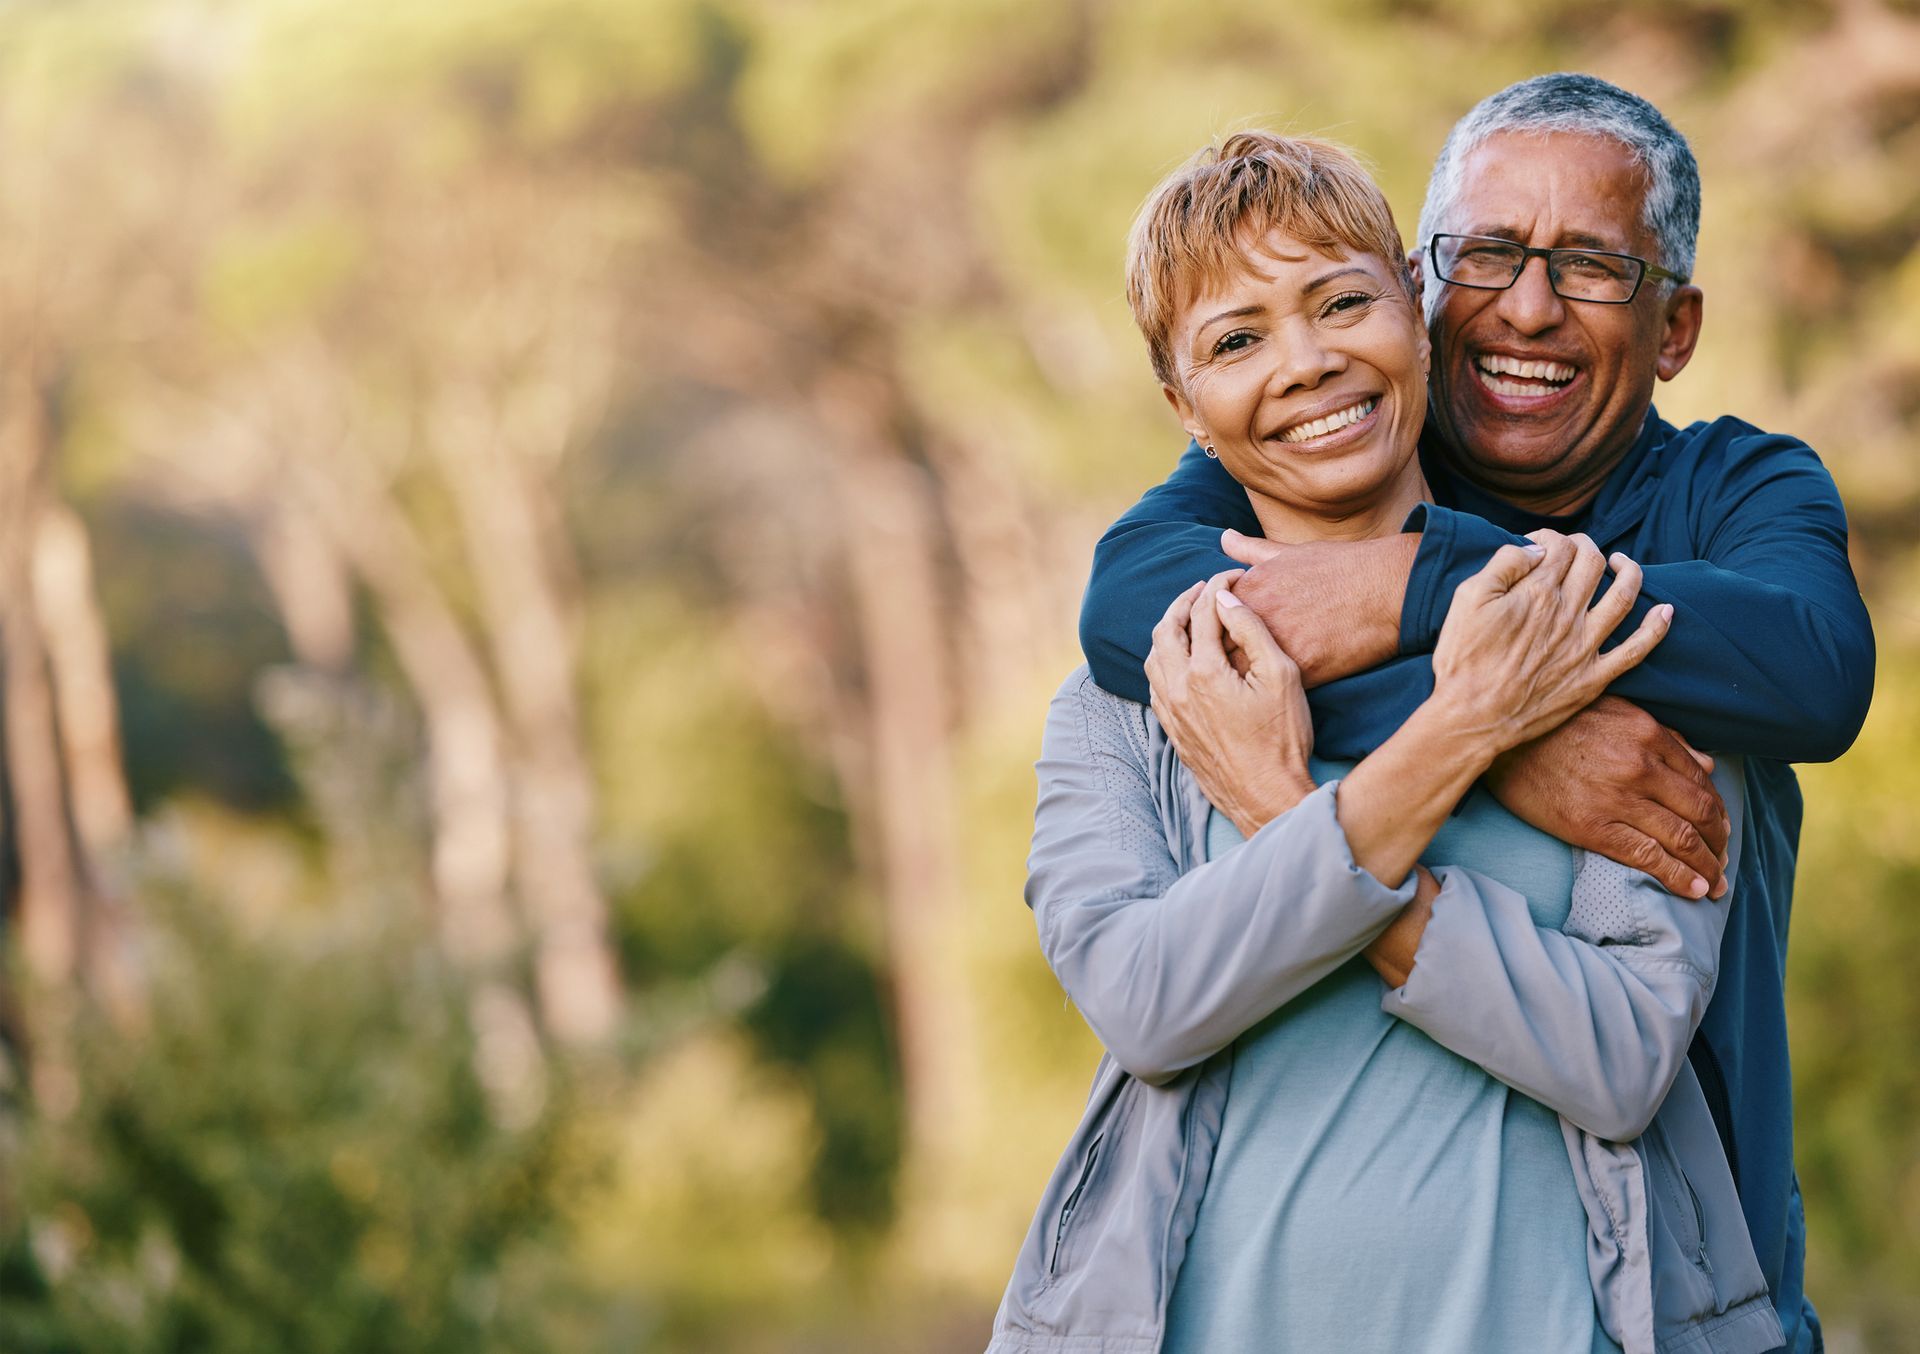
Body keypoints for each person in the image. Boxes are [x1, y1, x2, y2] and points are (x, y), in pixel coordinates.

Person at [1077, 75, 1872, 1354]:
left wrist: (1411, 586)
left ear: (1675, 328)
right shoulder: (1336, 459)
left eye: (1596, 266)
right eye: (1487, 254)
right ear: (1421, 283)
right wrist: (1510, 736)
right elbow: (1127, 603)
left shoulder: (1735, 491)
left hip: (1674, 1285)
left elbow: (1816, 673)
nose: (1529, 305)